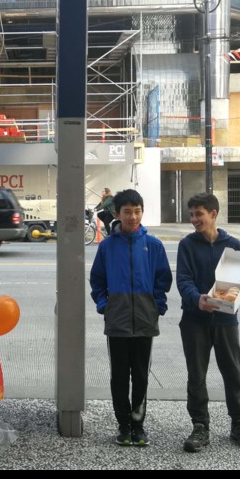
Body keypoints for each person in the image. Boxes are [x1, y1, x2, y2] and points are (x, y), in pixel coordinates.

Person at [89, 189, 172, 447]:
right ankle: (123, 425)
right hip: (117, 322)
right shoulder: (107, 247)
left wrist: (157, 305)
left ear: (142, 212)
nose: (133, 217)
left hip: (145, 322)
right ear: (117, 214)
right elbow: (97, 281)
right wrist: (105, 305)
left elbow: (163, 280)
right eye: (127, 212)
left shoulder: (154, 245)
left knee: (141, 375)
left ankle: (138, 425)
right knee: (119, 376)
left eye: (137, 211)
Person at [176, 192, 240, 452]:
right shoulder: (187, 245)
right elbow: (183, 280)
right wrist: (196, 298)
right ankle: (200, 426)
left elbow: (237, 282)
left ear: (213, 214)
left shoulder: (232, 245)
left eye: (199, 214)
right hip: (194, 320)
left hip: (225, 319)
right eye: (191, 215)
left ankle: (238, 423)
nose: (194, 220)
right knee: (196, 375)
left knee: (232, 372)